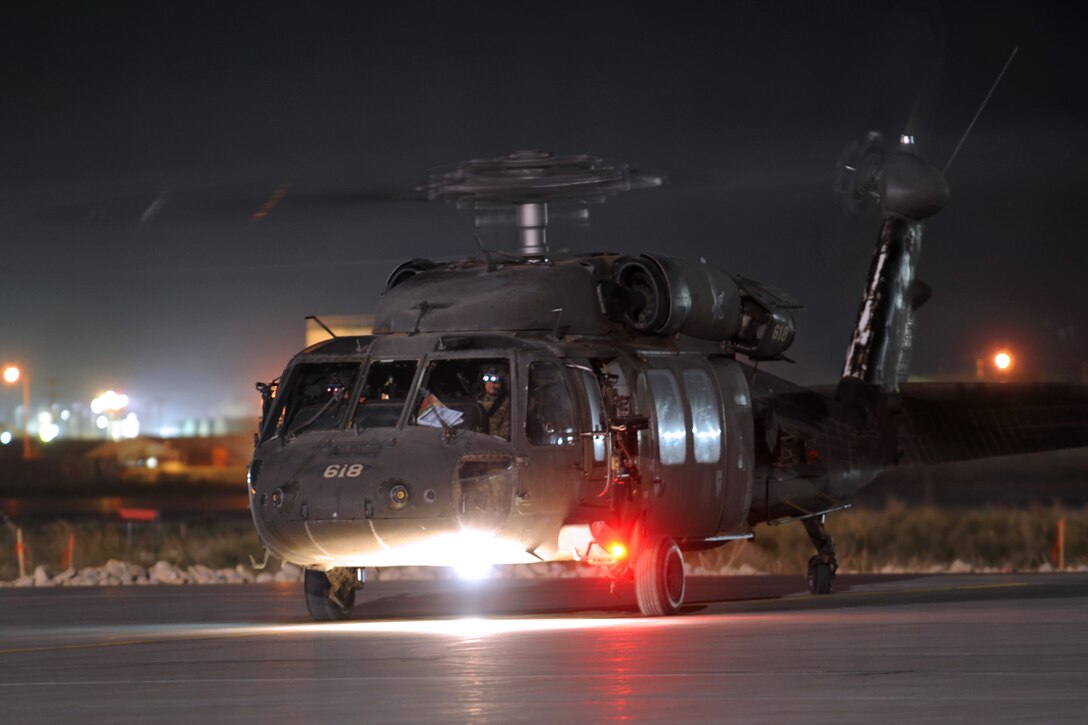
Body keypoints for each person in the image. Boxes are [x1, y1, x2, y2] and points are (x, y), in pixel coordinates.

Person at [477, 365, 510, 439]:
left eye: (496, 382)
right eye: (488, 381)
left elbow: (506, 431)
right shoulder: (476, 400)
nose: (491, 385)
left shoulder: (507, 402)